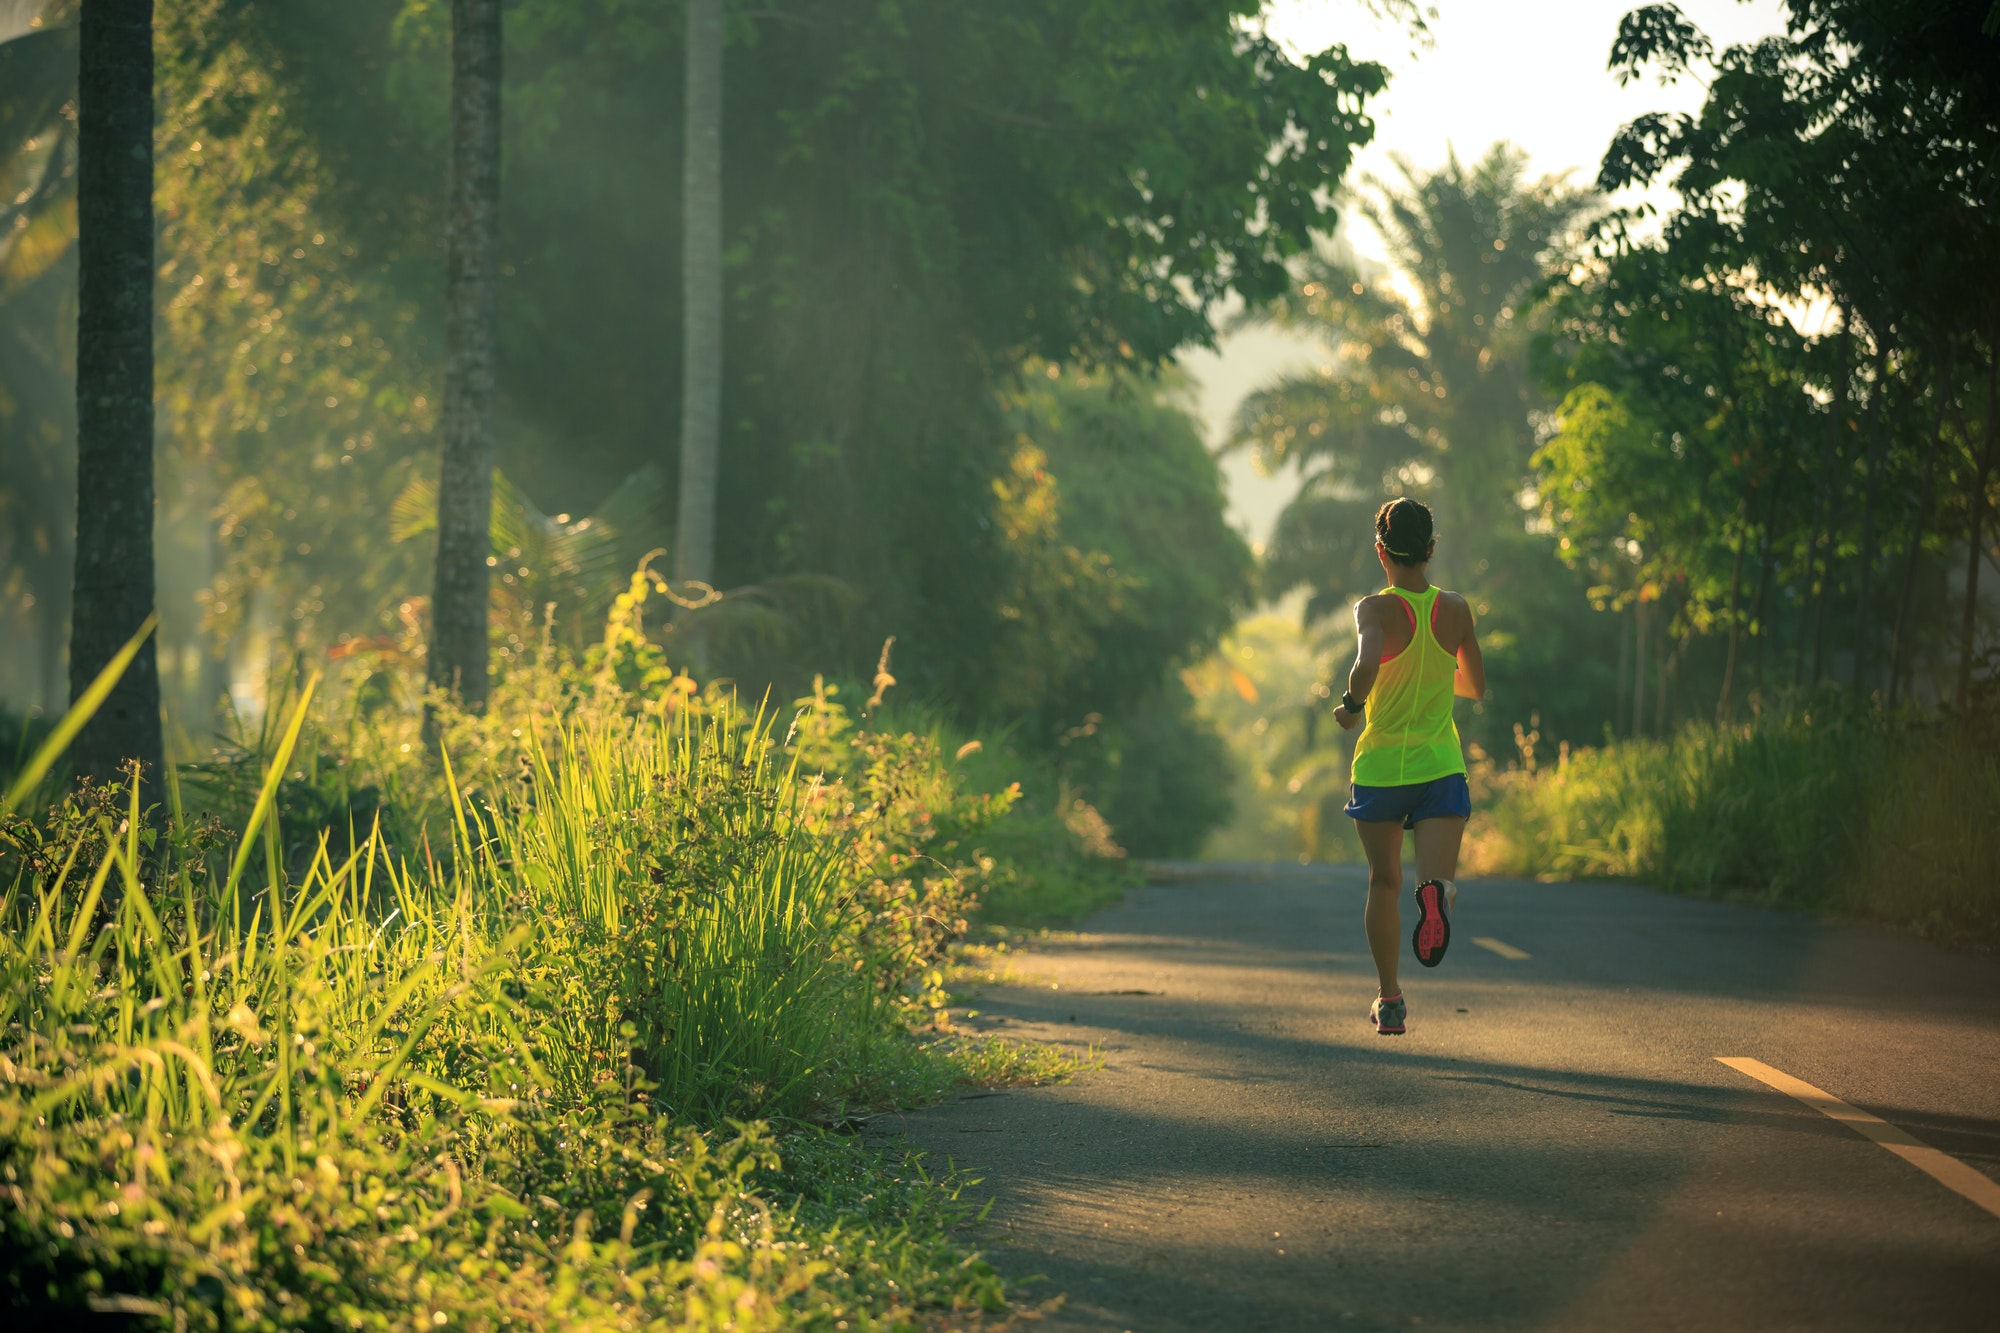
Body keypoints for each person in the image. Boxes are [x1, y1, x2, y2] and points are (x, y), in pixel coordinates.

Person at [1331, 498, 1485, 1036]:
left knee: (1384, 882)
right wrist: (1437, 674)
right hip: (1440, 768)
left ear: (1381, 552)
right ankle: (1438, 895)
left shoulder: (1373, 608)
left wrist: (1351, 709)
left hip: (1381, 773)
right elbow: (1475, 685)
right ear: (1430, 550)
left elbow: (1366, 664)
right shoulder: (1457, 609)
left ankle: (1390, 1000)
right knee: (1433, 878)